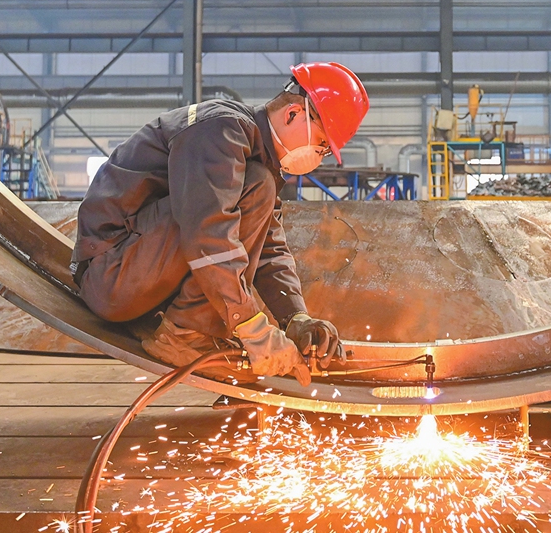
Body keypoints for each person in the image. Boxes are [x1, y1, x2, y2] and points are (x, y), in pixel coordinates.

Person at [71, 62, 369, 387]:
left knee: (260, 183)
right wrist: (251, 327)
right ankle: (185, 335)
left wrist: (295, 317)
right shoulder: (221, 131)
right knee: (251, 190)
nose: (319, 156)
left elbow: (270, 252)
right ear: (293, 113)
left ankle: (191, 329)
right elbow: (208, 234)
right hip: (112, 275)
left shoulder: (257, 163)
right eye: (323, 144)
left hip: (139, 275)